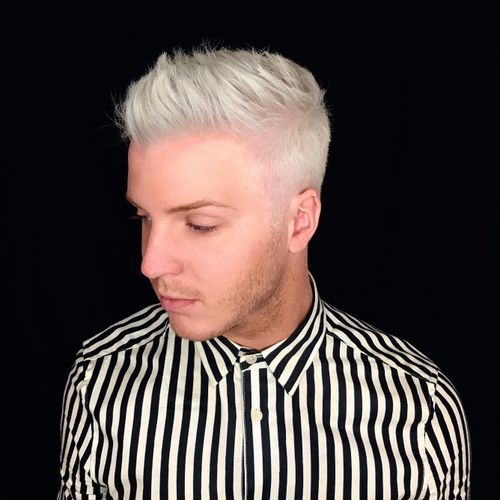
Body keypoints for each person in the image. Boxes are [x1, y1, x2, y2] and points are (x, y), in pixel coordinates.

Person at [58, 46, 470, 499]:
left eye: (200, 224)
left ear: (299, 222)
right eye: (144, 217)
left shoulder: (419, 411)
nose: (150, 263)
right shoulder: (101, 379)